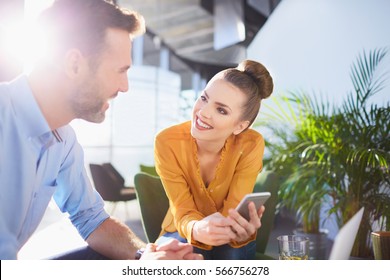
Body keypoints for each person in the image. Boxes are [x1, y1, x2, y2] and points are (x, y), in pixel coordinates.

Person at [0, 0, 202, 260]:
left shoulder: (64, 141)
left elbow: (91, 218)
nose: (125, 86)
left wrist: (146, 257)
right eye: (120, 70)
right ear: (74, 64)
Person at [154, 60, 274, 260]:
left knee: (233, 256)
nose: (203, 112)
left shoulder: (251, 144)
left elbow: (234, 210)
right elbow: (182, 209)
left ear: (240, 126)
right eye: (203, 98)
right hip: (184, 229)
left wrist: (235, 230)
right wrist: (197, 228)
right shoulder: (166, 142)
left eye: (221, 110)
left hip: (228, 233)